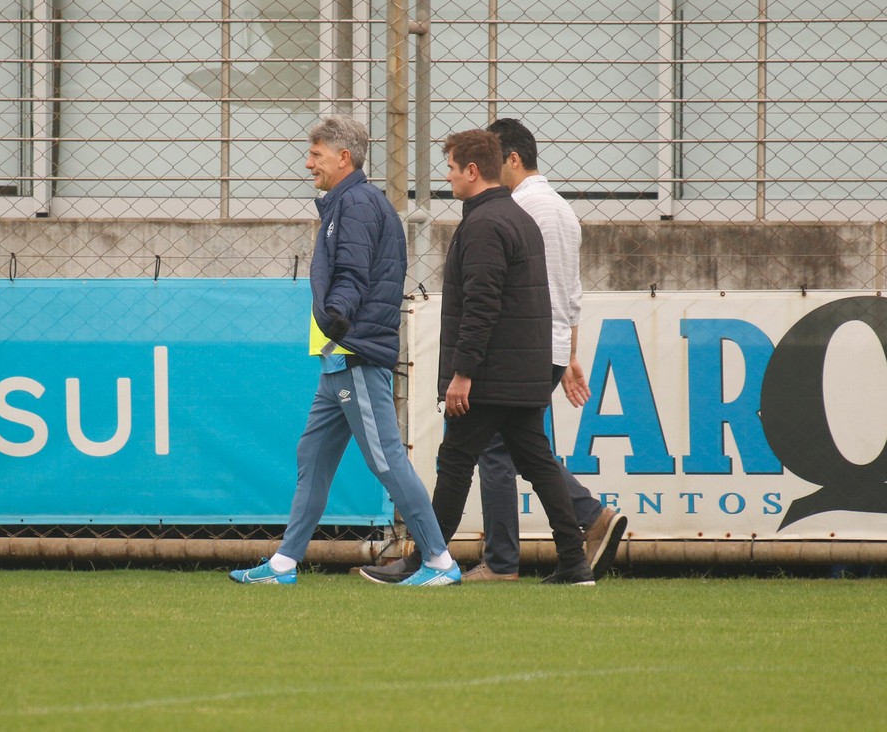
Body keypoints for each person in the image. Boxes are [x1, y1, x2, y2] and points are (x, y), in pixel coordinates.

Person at [229, 116, 461, 586]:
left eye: (316, 154)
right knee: (312, 454)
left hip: (353, 352)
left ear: (344, 158)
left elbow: (353, 273)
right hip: (339, 358)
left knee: (384, 457)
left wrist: (337, 318)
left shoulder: (355, 204)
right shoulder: (350, 202)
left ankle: (439, 561)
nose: (308, 162)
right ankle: (283, 564)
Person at [363, 129, 594, 586]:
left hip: (492, 373)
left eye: (450, 166)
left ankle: (429, 558)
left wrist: (463, 373)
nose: (447, 176)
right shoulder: (517, 216)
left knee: (455, 461)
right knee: (536, 461)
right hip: (521, 369)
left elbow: (482, 304)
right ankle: (574, 561)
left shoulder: (486, 224)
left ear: (472, 171)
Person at [459, 118, 628, 583]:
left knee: (496, 447)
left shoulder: (517, 208)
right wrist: (568, 354)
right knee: (521, 443)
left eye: (495, 160)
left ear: (511, 159)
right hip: (549, 343)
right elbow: (569, 292)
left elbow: (515, 289)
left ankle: (502, 560)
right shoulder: (561, 209)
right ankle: (587, 519)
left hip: (522, 344)